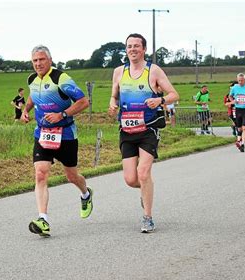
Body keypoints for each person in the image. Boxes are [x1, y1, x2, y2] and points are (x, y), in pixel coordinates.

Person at [108, 33, 179, 233]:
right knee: (131, 179)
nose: (132, 49)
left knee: (143, 172)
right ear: (126, 49)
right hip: (127, 129)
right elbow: (114, 96)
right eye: (129, 46)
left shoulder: (153, 71)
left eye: (136, 46)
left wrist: (160, 100)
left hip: (148, 128)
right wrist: (112, 104)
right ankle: (146, 190)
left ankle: (147, 217)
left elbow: (174, 94)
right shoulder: (119, 72)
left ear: (144, 49)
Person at [21, 45, 93, 237]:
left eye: (41, 60)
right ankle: (43, 219)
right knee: (40, 174)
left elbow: (83, 102)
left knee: (71, 176)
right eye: (35, 61)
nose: (38, 64)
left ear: (50, 60)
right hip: (42, 133)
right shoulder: (32, 79)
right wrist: (26, 110)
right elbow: (33, 96)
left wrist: (62, 114)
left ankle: (86, 194)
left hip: (66, 134)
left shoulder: (61, 79)